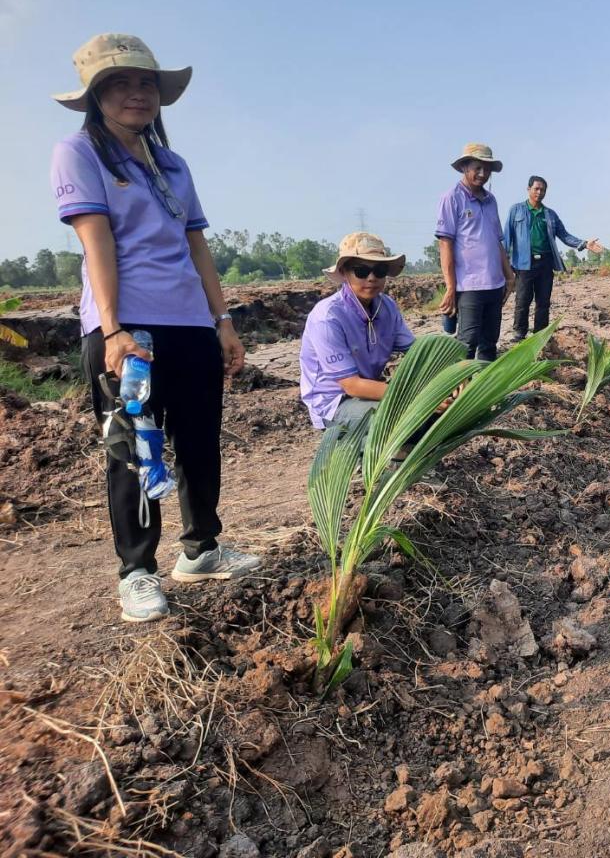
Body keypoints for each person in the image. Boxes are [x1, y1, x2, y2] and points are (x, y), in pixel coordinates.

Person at [49, 33, 258, 623]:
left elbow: (198, 247)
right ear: (95, 95)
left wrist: (223, 320)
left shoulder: (171, 164)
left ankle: (201, 550)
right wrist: (114, 330)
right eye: (119, 83)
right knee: (135, 448)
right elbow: (97, 244)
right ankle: (137, 571)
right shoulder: (80, 152)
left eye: (145, 83)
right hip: (130, 327)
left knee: (198, 441)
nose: (136, 94)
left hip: (190, 320)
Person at [299, 232, 415, 432]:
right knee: (405, 418)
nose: (371, 278)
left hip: (368, 393)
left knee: (433, 413)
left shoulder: (387, 307)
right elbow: (351, 385)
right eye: (361, 271)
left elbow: (418, 350)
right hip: (335, 402)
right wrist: (415, 395)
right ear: (344, 272)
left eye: (379, 270)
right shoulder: (328, 317)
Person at [435, 143, 515, 361]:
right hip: (469, 284)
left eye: (487, 169)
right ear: (464, 167)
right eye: (477, 168)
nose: (482, 174)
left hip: (494, 284)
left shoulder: (491, 201)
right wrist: (450, 287)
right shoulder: (452, 198)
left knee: (489, 342)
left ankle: (485, 390)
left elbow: (496, 241)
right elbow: (445, 244)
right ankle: (461, 392)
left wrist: (509, 276)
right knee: (467, 342)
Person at [504, 175, 605, 340]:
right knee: (522, 300)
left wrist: (584, 243)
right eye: (536, 188)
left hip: (545, 262)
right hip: (524, 263)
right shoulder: (516, 210)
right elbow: (507, 237)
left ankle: (540, 335)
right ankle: (519, 333)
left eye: (543, 190)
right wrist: (502, 263)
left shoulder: (550, 214)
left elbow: (564, 235)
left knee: (543, 302)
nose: (539, 192)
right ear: (528, 189)